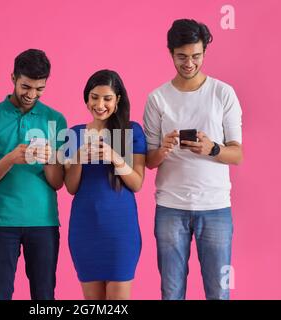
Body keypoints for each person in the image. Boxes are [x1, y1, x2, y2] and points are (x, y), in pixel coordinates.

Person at [143, 19, 243, 300]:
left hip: (215, 207)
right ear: (170, 53)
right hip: (170, 207)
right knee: (171, 292)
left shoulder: (223, 93)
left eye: (196, 56)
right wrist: (163, 149)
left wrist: (212, 148)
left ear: (204, 53)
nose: (189, 63)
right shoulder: (157, 99)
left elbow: (237, 153)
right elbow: (149, 162)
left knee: (218, 292)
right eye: (182, 56)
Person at [0, 49, 67, 300]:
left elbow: (57, 183)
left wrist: (49, 160)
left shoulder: (55, 120)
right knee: (0, 293)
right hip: (1, 222)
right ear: (13, 77)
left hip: (44, 222)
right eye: (26, 86)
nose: (31, 95)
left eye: (40, 89)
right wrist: (11, 158)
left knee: (44, 296)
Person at [64, 69, 147, 300]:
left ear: (117, 100)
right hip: (85, 229)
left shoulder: (132, 131)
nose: (100, 104)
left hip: (120, 230)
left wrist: (115, 157)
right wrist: (78, 158)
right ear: (87, 98)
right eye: (94, 97)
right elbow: (71, 187)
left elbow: (137, 182)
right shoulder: (74, 133)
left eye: (107, 98)